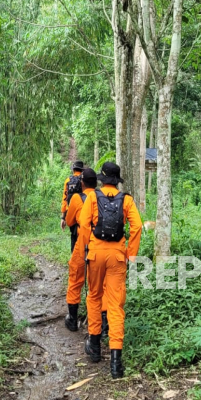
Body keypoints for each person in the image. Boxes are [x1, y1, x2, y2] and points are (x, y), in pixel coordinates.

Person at [76, 162, 142, 379]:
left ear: (103, 179)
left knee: (94, 297)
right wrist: (130, 254)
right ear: (117, 180)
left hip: (95, 253)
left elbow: (84, 224)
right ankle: (116, 362)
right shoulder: (127, 199)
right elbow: (137, 225)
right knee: (115, 305)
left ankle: (94, 346)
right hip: (117, 256)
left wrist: (88, 247)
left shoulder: (93, 197)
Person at [64, 168, 107, 339]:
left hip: (83, 244)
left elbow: (69, 221)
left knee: (75, 279)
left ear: (81, 183)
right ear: (96, 183)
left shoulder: (77, 198)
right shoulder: (100, 198)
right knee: (99, 286)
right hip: (100, 247)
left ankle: (72, 319)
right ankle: (103, 326)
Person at [60, 160, 84, 242]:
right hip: (82, 212)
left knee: (73, 236)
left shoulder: (68, 180)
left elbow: (64, 199)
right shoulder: (84, 180)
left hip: (70, 212)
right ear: (82, 170)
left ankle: (73, 253)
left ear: (73, 170)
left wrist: (63, 217)